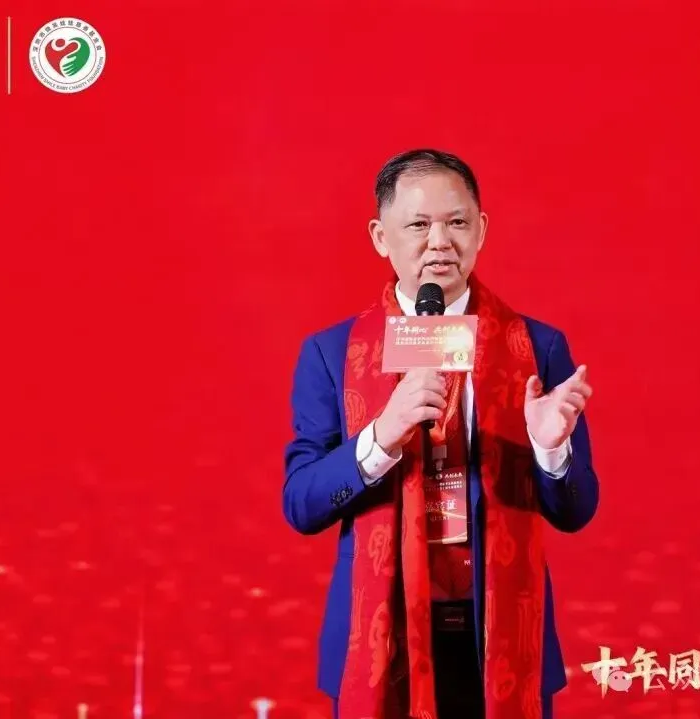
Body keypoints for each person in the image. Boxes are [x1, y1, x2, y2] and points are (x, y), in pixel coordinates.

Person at [283, 149, 599, 719]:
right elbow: (301, 504)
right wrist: (382, 435)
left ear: (482, 229)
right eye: (418, 225)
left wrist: (551, 449)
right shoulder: (331, 354)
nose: (440, 242)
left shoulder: (539, 347)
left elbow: (577, 511)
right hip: (382, 639)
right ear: (380, 237)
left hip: (498, 638)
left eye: (457, 222)